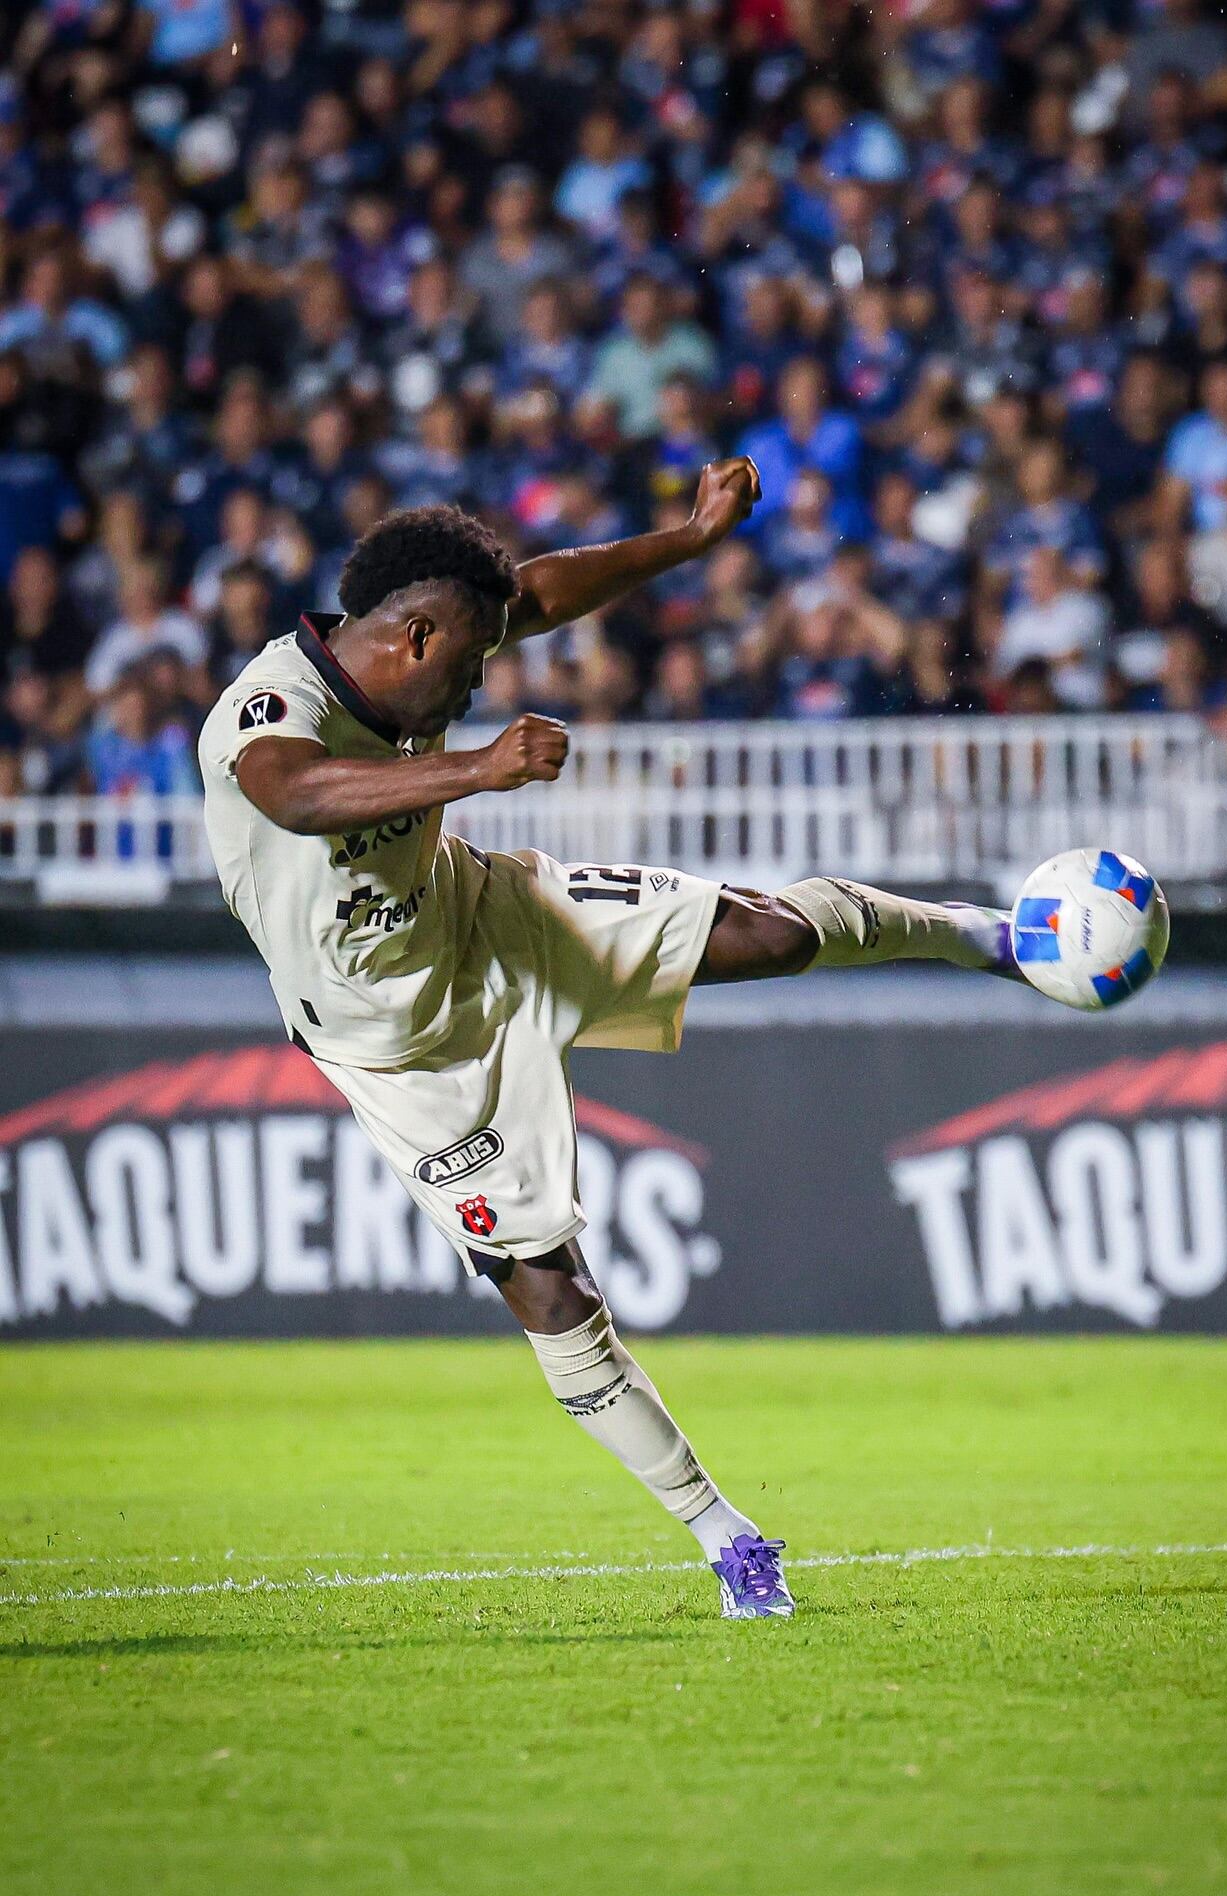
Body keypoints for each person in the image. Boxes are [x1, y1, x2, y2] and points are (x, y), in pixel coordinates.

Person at [198, 461, 1032, 1621]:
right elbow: (292, 794)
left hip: (492, 917)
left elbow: (540, 591)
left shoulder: (435, 635)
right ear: (416, 633)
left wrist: (688, 539)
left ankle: (988, 937)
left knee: (764, 932)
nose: (479, 685)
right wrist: (479, 770)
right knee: (551, 1291)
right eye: (471, 666)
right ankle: (728, 1539)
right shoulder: (269, 709)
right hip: (406, 1055)